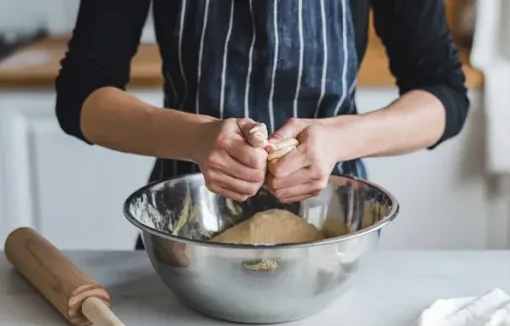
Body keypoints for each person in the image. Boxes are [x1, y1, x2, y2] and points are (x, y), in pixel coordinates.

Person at [56, 0, 469, 213]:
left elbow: (443, 95)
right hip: (187, 220)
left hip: (332, 223)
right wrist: (198, 139)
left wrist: (340, 139)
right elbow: (82, 95)